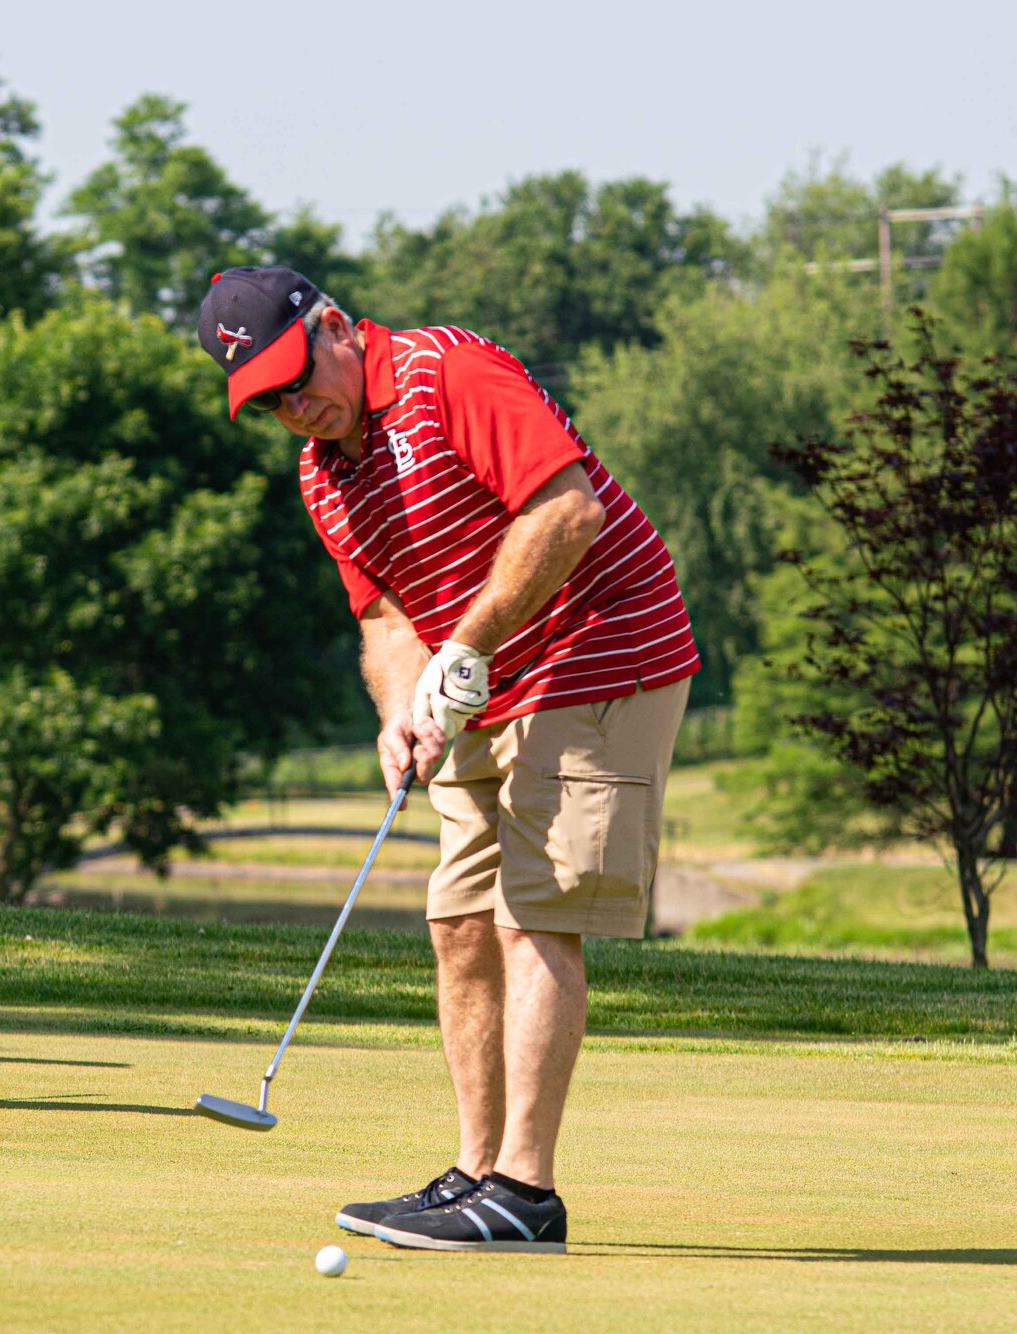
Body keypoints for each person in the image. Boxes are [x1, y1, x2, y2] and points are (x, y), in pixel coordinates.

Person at [195, 268, 699, 1252]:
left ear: (334, 325)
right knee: (459, 922)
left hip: (600, 651)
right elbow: (384, 619)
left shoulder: (446, 375)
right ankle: (474, 1173)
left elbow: (565, 512)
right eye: (272, 402)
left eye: (300, 378)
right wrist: (397, 711)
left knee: (533, 914)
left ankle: (524, 1190)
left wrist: (463, 647)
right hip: (483, 682)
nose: (299, 410)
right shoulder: (322, 475)